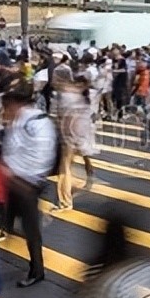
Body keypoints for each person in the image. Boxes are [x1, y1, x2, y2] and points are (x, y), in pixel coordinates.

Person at [0, 82, 57, 287]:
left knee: (31, 229)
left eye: (7, 105)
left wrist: (22, 176)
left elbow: (37, 154)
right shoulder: (33, 119)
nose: (6, 111)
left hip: (25, 184)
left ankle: (37, 270)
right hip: (22, 181)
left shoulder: (30, 122)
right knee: (15, 219)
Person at [55, 73, 99, 211]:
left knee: (65, 169)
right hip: (83, 133)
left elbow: (64, 118)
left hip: (71, 135)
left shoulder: (69, 97)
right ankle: (89, 173)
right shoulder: (85, 97)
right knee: (74, 162)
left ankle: (65, 201)